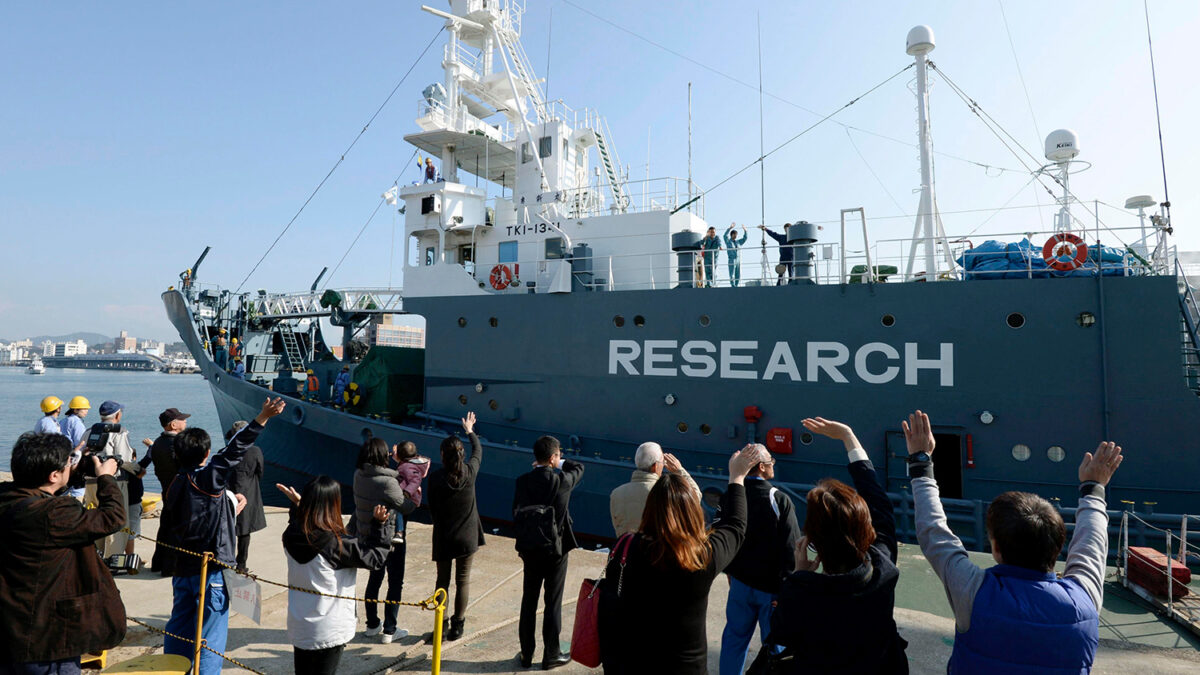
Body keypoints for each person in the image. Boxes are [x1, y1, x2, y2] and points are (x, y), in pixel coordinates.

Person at [906, 410, 1120, 674]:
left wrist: (921, 461)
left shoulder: (974, 593)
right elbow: (1092, 544)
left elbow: (933, 532)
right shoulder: (1083, 599)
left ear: (996, 549)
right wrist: (1094, 488)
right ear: (1056, 547)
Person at [599, 445, 763, 674]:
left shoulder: (626, 548)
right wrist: (737, 477)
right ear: (692, 514)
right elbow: (735, 527)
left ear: (650, 509)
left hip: (630, 663)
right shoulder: (701, 558)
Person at [763, 417, 908, 673]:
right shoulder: (883, 569)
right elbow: (881, 506)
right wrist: (849, 438)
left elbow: (780, 632)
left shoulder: (800, 591)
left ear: (812, 539)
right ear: (866, 527)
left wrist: (799, 575)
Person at [160, 397, 286, 675]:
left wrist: (228, 503)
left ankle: (172, 670)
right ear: (206, 455)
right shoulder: (208, 479)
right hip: (212, 570)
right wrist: (263, 416)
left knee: (179, 627)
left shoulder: (175, 484)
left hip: (183, 568)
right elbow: (235, 448)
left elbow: (194, 515)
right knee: (210, 637)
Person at [0, 433, 127, 674]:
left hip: (11, 631)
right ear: (53, 475)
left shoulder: (9, 499)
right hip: (47, 641)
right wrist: (106, 478)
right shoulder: (53, 513)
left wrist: (73, 471)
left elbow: (44, 489)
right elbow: (113, 518)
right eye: (67, 463)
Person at [278, 477, 390, 675]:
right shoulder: (336, 544)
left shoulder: (291, 535)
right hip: (329, 628)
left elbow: (297, 522)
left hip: (300, 625)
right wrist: (379, 525)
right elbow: (374, 558)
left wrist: (299, 505)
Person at [717, 445, 800, 675]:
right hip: (771, 591)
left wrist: (730, 572)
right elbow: (790, 548)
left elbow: (723, 537)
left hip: (739, 584)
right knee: (775, 646)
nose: (774, 463)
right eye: (771, 460)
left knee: (734, 640)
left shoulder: (732, 496)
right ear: (762, 467)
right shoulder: (779, 500)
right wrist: (787, 590)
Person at [513, 435, 584, 670]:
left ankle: (526, 654)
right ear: (553, 457)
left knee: (528, 601)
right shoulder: (562, 480)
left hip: (530, 548)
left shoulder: (522, 481)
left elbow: (515, 512)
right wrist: (560, 463)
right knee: (552, 602)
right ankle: (551, 654)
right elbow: (579, 467)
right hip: (556, 550)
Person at [427, 413, 484, 643]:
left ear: (442, 455)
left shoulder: (435, 478)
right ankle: (458, 625)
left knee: (442, 582)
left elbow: (431, 507)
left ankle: (440, 627)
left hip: (444, 536)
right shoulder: (470, 473)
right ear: (461, 455)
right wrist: (470, 430)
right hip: (467, 538)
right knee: (463, 581)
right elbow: (478, 452)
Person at [353, 438, 416, 643]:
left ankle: (372, 625)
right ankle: (390, 630)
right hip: (389, 539)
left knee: (374, 579)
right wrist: (416, 497)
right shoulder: (389, 481)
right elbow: (405, 506)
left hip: (367, 535)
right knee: (395, 582)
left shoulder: (358, 474)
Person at [94, 400, 152, 560]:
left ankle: (96, 556)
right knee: (117, 522)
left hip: (92, 483)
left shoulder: (90, 430)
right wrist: (139, 470)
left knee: (96, 519)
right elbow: (125, 459)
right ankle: (115, 560)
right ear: (117, 415)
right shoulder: (119, 432)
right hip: (114, 481)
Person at [609, 442, 699, 537]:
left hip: (628, 549)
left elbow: (618, 527)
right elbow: (694, 498)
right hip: (657, 550)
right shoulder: (666, 491)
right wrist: (679, 470)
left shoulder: (616, 493)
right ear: (655, 466)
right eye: (663, 462)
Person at [148, 407, 190, 574]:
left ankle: (158, 562)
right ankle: (171, 566)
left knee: (165, 526)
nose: (185, 422)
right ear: (173, 424)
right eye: (182, 419)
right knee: (178, 529)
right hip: (179, 492)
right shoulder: (178, 444)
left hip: (166, 488)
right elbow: (185, 468)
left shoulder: (158, 442)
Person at [225, 421, 267, 574]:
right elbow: (260, 472)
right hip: (248, 492)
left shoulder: (226, 450)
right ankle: (241, 564)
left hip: (228, 492)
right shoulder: (255, 451)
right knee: (244, 531)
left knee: (228, 529)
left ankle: (225, 560)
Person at [59, 396, 91, 498]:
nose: (86, 411)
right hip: (74, 457)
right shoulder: (76, 422)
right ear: (76, 409)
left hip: (63, 456)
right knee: (78, 485)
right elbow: (81, 442)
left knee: (64, 485)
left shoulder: (64, 421)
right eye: (84, 409)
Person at [723, 223, 747, 287]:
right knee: (732, 273)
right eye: (735, 234)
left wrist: (745, 231)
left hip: (738, 259)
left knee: (737, 274)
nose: (736, 235)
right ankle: (733, 285)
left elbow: (744, 238)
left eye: (736, 234)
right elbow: (724, 236)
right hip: (732, 259)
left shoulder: (738, 242)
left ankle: (736, 285)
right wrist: (730, 228)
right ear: (731, 235)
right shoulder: (728, 242)